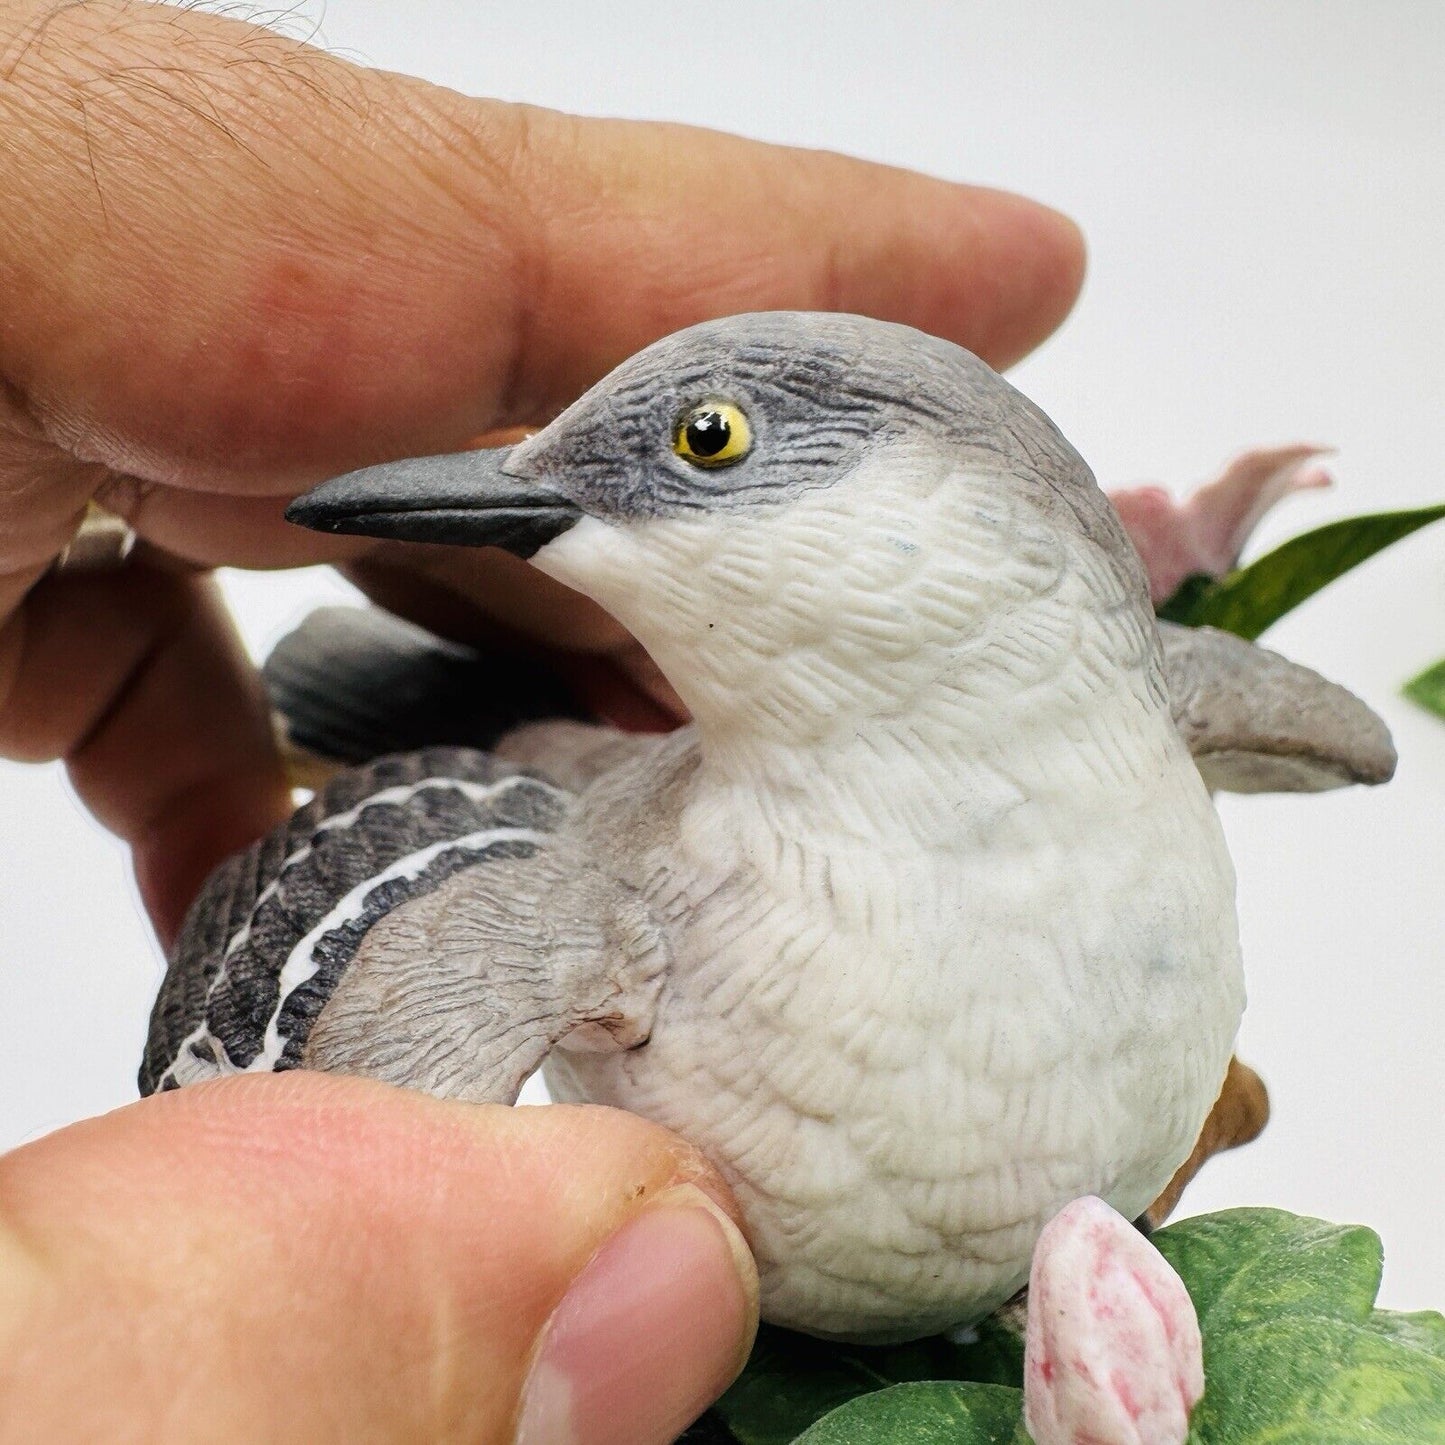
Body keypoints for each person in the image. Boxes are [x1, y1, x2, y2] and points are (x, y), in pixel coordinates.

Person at [0, 3, 1084, 1440]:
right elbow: (331, 1145)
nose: (513, 484)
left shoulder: (1124, 717)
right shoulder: (609, 907)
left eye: (706, 445)